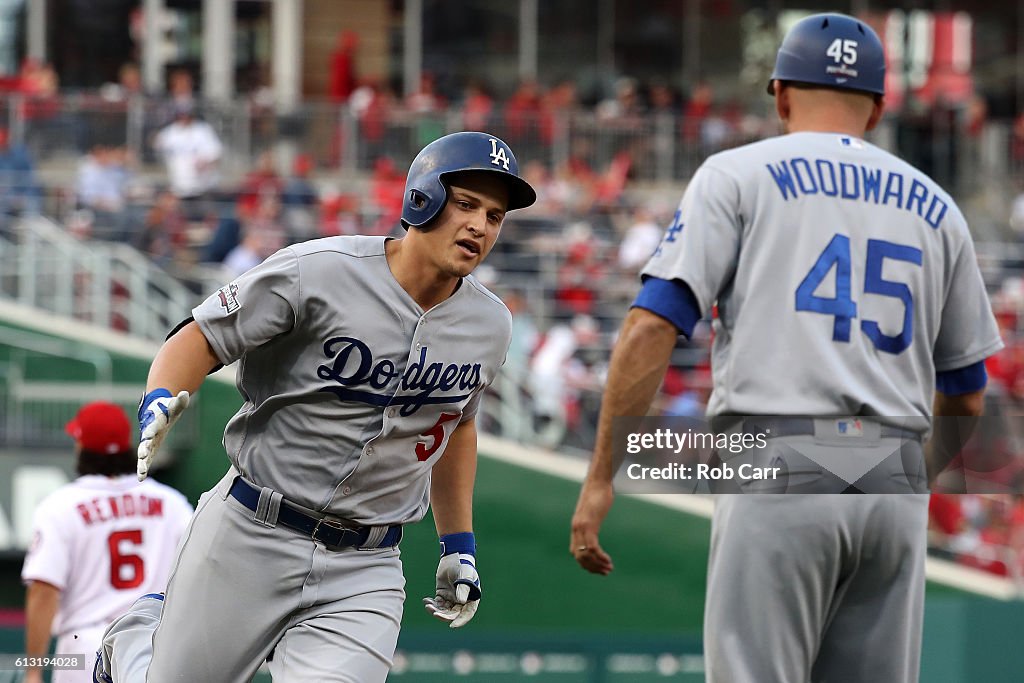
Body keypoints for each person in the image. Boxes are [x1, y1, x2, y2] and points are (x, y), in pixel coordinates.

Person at [570, 13, 1002, 683]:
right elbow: (968, 390)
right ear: (880, 107)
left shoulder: (737, 173)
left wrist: (601, 477)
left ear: (780, 94)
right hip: (891, 469)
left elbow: (653, 325)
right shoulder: (939, 207)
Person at [93, 131, 536, 683]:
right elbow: (202, 336)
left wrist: (459, 546)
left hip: (366, 564)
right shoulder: (320, 270)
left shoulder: (489, 325)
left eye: (494, 216)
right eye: (467, 204)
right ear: (421, 198)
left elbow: (455, 425)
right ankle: (133, 645)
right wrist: (161, 396)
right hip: (252, 531)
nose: (480, 226)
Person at [20, 402, 193, 683]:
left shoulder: (60, 506)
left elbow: (43, 589)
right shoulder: (172, 503)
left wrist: (33, 670)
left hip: (85, 647)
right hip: (152, 643)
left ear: (81, 446)